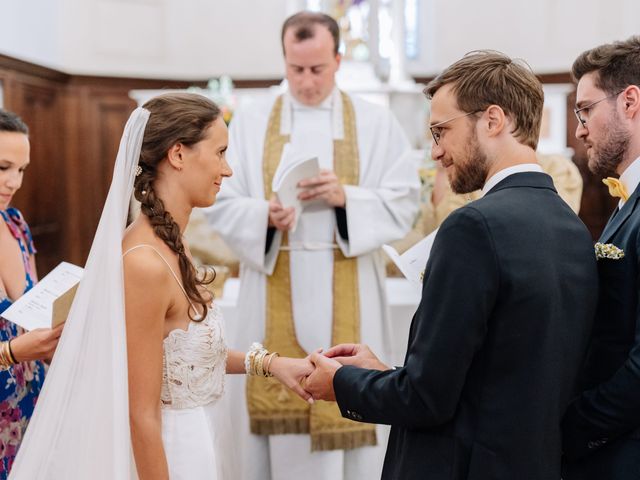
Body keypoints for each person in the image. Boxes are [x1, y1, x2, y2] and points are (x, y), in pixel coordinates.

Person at [304, 51, 599, 479]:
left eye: (441, 131)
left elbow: (426, 400)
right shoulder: (571, 228)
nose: (436, 152)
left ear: (493, 120)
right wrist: (386, 372)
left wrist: (341, 384)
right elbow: (498, 373)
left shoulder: (473, 226)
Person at [9, 93, 314, 480]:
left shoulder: (173, 243)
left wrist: (272, 364)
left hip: (198, 439)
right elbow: (142, 415)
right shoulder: (143, 264)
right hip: (169, 453)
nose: (228, 170)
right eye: (220, 153)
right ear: (178, 154)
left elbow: (185, 360)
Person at [204, 11, 420, 480]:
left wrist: (347, 200)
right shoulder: (251, 120)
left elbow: (406, 201)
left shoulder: (374, 121)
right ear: (284, 59)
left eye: (317, 69)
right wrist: (264, 216)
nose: (305, 81)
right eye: (295, 69)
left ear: (338, 59)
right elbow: (220, 199)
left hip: (351, 285)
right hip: (273, 274)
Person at [562, 36, 640, 479]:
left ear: (629, 101)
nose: (580, 129)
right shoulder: (625, 201)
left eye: (586, 109)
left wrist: (574, 428)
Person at [0, 109, 63, 478]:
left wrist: (54, 337)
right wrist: (11, 352)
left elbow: (36, 311)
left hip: (30, 401)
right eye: (2, 167)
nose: (13, 182)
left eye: (21, 170)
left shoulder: (16, 225)